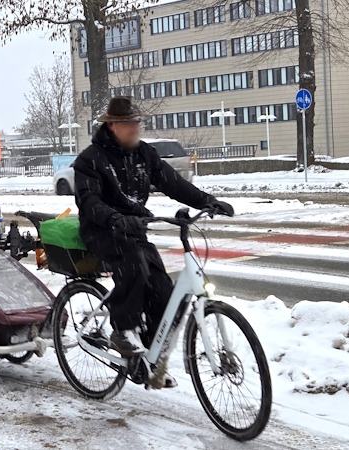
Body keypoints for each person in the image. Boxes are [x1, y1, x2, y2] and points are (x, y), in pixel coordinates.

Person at [72, 97, 234, 388]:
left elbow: (172, 182)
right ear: (112, 125)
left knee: (162, 289)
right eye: (131, 123)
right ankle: (122, 330)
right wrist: (113, 218)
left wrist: (207, 201)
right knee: (133, 265)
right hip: (102, 229)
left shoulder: (144, 154)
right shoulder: (90, 159)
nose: (137, 128)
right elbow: (88, 200)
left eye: (138, 122)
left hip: (134, 228)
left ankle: (148, 359)